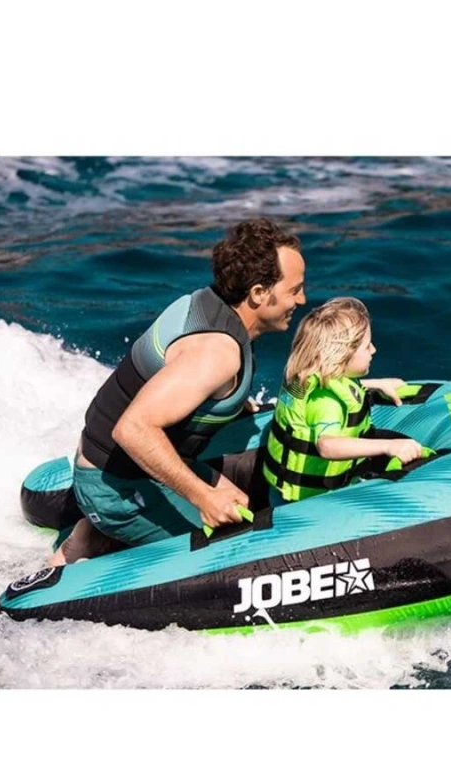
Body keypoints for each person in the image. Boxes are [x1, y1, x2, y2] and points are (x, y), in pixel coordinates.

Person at [50, 217, 306, 564]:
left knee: (240, 504)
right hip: (116, 485)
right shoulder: (216, 353)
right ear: (259, 293)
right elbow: (132, 428)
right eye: (294, 290)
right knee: (236, 551)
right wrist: (203, 497)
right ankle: (99, 535)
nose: (302, 299)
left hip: (120, 467)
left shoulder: (206, 303)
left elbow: (181, 382)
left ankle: (97, 534)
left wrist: (234, 405)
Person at [263, 297, 423, 504]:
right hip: (309, 503)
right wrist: (389, 446)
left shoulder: (306, 379)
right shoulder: (327, 404)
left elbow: (332, 386)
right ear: (341, 355)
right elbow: (327, 446)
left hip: (282, 493)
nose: (374, 350)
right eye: (367, 346)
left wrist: (375, 384)